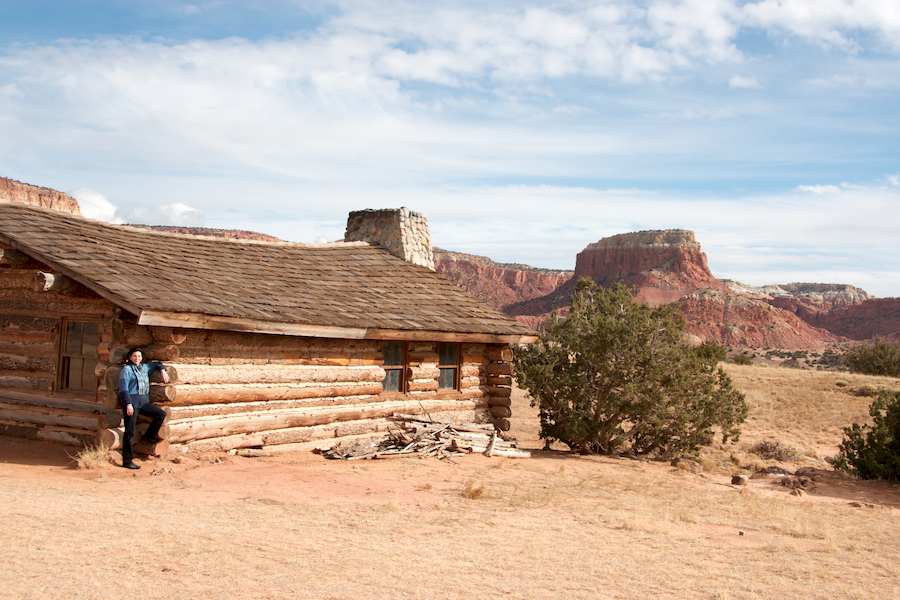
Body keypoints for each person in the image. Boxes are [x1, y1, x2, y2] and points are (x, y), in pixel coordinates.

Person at [118, 347, 170, 469]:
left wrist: (163, 371)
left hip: (143, 402)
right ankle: (127, 461)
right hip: (131, 403)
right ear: (130, 357)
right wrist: (128, 404)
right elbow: (123, 389)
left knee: (160, 414)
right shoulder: (127, 370)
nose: (137, 358)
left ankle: (148, 436)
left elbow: (157, 364)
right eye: (134, 356)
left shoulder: (144, 368)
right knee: (129, 432)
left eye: (139, 356)